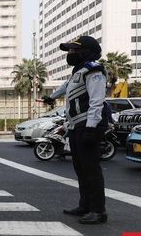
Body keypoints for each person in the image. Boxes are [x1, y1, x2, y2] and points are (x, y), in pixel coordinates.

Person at [42, 35, 109, 225]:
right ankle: (85, 205)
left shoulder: (94, 71)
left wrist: (91, 127)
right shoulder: (79, 71)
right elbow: (65, 87)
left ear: (86, 52)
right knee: (80, 168)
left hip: (88, 125)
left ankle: (98, 210)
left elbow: (97, 101)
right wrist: (51, 97)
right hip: (76, 125)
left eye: (74, 50)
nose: (70, 53)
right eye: (70, 50)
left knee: (91, 169)